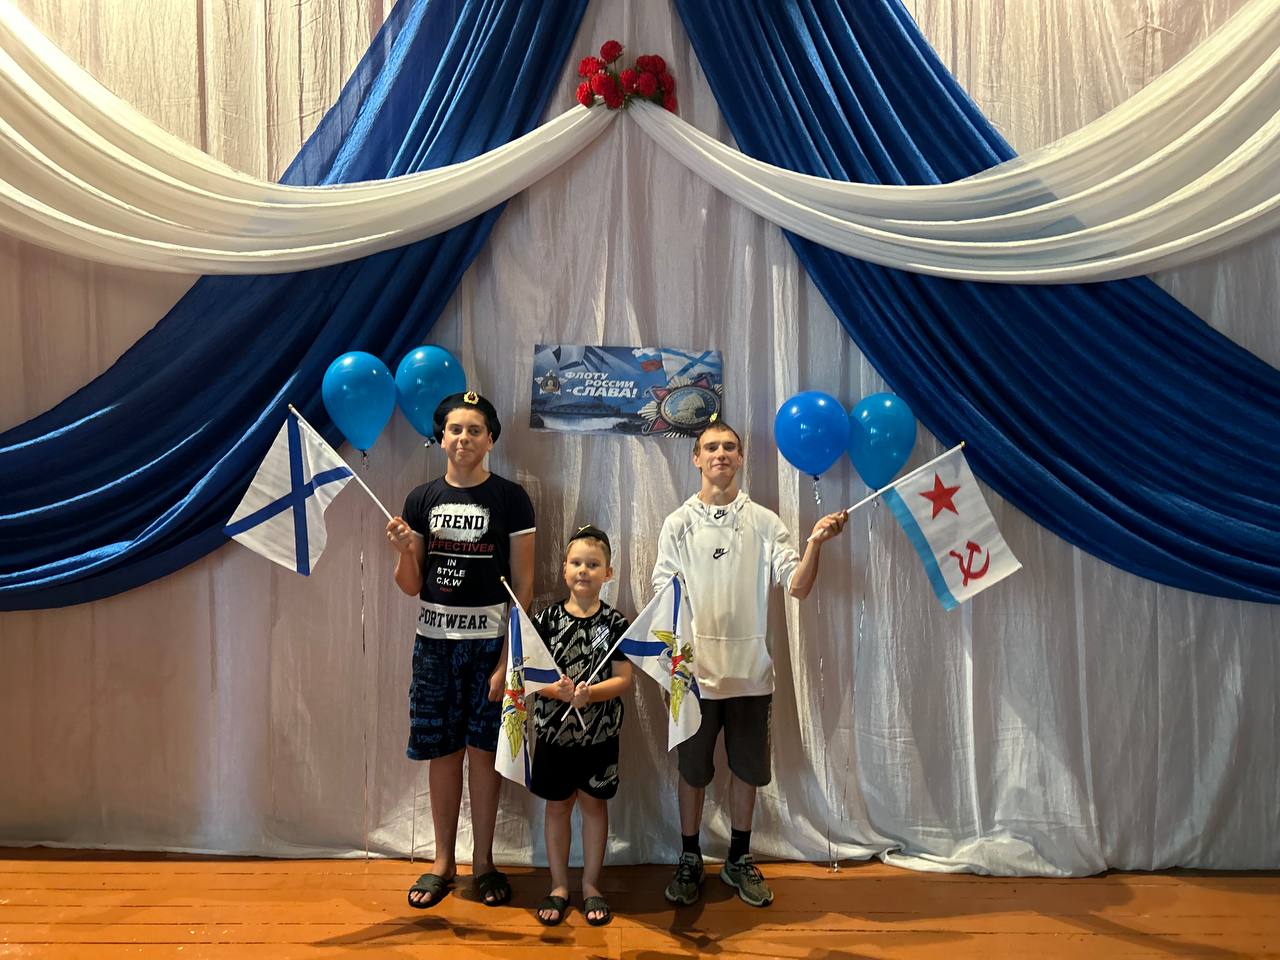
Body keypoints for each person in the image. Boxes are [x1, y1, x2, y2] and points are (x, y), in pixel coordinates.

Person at [652, 418, 847, 908]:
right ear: (696, 458)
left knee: (747, 770)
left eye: (729, 447)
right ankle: (690, 857)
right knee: (693, 771)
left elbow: (797, 586)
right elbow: (662, 594)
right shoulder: (677, 524)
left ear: (740, 459)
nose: (720, 453)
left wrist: (814, 543)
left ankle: (738, 859)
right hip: (694, 679)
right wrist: (677, 658)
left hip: (751, 677)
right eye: (711, 447)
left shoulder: (764, 521)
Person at [385, 390, 535, 910]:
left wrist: (507, 660)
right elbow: (410, 584)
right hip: (434, 647)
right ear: (441, 437)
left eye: (475, 430)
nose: (464, 438)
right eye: (455, 429)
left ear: (490, 439)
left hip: (489, 647)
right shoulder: (420, 499)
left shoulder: (511, 498)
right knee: (442, 752)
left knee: (485, 754)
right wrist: (405, 552)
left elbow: (524, 587)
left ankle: (485, 862)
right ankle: (443, 862)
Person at [528, 526, 632, 927]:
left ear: (608, 572)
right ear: (564, 569)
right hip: (553, 736)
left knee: (593, 806)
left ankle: (590, 884)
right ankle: (558, 885)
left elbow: (624, 680)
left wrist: (592, 694)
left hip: (599, 737)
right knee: (557, 807)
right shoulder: (545, 620)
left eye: (593, 564)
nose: (583, 570)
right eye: (576, 563)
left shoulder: (616, 623)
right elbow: (530, 673)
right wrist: (553, 689)